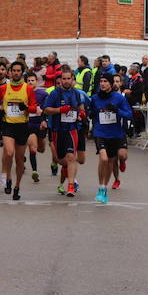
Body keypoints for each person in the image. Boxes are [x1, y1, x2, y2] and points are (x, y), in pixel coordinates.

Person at [0, 61, 37, 200]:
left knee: (19, 160)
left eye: (19, 70)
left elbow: (34, 107)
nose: (16, 73)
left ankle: (17, 186)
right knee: (9, 152)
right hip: (8, 126)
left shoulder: (28, 89)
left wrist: (27, 108)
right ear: (10, 72)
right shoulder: (4, 88)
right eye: (14, 70)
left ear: (22, 72)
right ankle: (8, 179)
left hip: (22, 127)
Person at [43, 66, 86, 197]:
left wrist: (82, 113)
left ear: (73, 79)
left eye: (69, 78)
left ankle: (71, 186)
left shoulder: (77, 93)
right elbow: (46, 109)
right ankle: (64, 175)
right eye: (64, 79)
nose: (66, 81)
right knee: (62, 160)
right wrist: (59, 110)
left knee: (72, 157)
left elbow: (80, 106)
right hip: (57, 130)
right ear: (60, 80)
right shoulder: (55, 94)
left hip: (72, 129)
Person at [90, 74, 133, 203]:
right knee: (104, 159)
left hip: (116, 134)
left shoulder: (119, 98)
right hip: (100, 132)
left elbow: (129, 114)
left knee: (115, 159)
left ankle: (105, 186)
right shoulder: (95, 98)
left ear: (111, 84)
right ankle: (101, 187)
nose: (102, 84)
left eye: (105, 81)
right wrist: (92, 113)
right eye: (101, 81)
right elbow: (90, 112)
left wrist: (117, 111)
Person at [24, 71, 49, 182]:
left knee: (41, 149)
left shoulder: (43, 94)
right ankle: (35, 171)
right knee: (32, 147)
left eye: (32, 80)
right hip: (29, 124)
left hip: (40, 124)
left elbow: (48, 108)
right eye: (28, 80)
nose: (30, 82)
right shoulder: (23, 93)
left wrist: (44, 117)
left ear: (36, 82)